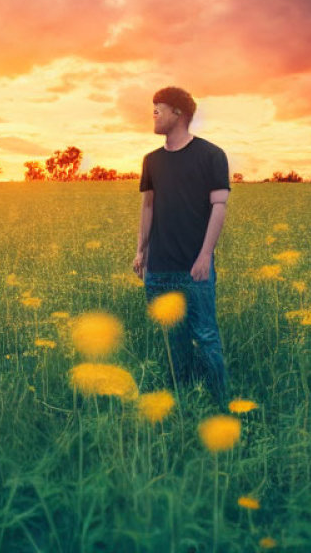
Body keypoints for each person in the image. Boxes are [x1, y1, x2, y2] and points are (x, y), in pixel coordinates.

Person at [133, 86, 230, 405]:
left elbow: (219, 206)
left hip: (194, 268)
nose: (154, 114)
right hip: (158, 270)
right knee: (173, 342)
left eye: (159, 108)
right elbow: (148, 207)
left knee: (205, 338)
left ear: (179, 113)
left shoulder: (211, 155)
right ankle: (185, 401)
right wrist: (140, 251)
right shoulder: (152, 161)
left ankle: (219, 405)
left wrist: (205, 257)